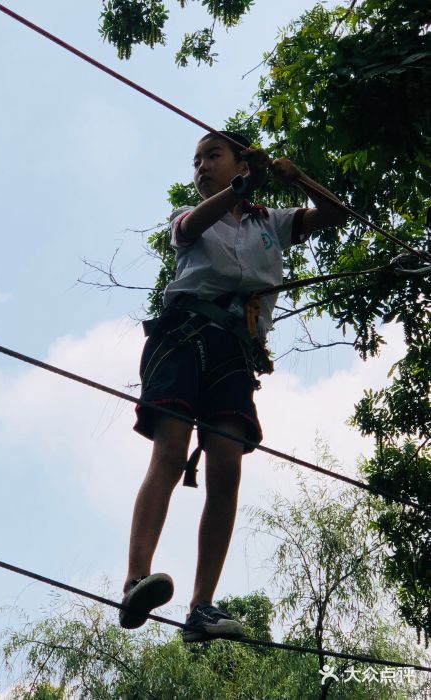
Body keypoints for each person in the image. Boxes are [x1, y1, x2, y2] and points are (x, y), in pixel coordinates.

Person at [119, 131, 347, 641]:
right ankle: (135, 580)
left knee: (226, 466)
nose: (200, 167)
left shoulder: (273, 222)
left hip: (234, 352)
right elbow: (192, 224)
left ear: (241, 159)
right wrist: (241, 186)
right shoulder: (189, 216)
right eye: (196, 160)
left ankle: (202, 608)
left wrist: (299, 179)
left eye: (212, 156)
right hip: (183, 334)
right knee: (172, 450)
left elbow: (335, 215)